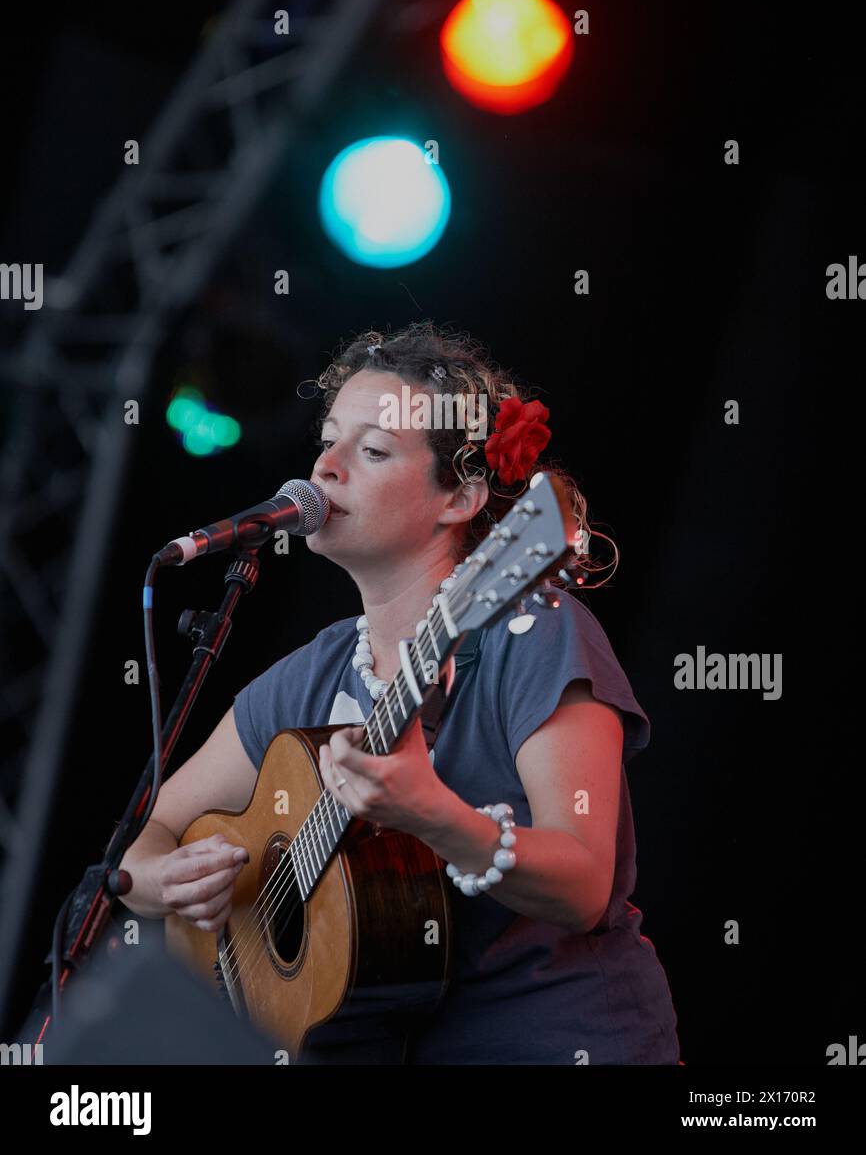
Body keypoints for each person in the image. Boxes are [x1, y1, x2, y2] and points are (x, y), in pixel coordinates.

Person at [119, 321, 681, 1065]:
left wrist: (436, 816)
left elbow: (582, 882)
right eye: (328, 438)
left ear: (461, 498)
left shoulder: (538, 634)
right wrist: (167, 879)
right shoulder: (306, 678)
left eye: (373, 451)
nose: (327, 467)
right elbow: (144, 838)